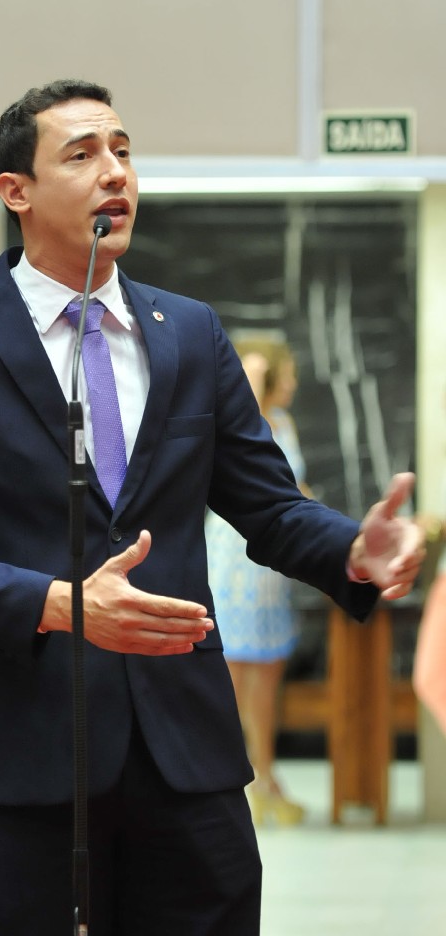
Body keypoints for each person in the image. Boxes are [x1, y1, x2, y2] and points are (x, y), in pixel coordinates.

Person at [0, 79, 425, 936]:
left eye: (123, 151)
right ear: (16, 191)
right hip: (20, 752)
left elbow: (269, 507)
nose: (115, 172)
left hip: (186, 751)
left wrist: (353, 551)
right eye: (82, 154)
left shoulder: (189, 332)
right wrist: (61, 604)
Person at [205, 337, 311, 826]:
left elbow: (292, 486)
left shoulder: (285, 423)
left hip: (272, 566)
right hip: (234, 558)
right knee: (231, 671)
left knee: (267, 674)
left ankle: (265, 776)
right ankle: (239, 782)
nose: (291, 381)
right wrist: (252, 366)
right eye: (283, 372)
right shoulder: (244, 420)